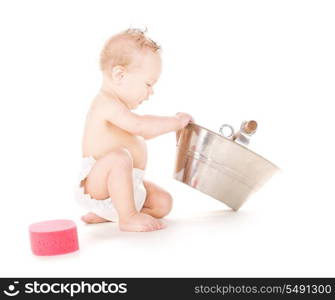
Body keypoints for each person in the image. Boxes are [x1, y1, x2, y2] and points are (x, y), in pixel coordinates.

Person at [75, 28, 193, 232]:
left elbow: (143, 128)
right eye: (148, 84)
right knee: (119, 158)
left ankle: (111, 213)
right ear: (120, 75)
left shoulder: (119, 108)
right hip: (99, 187)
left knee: (164, 203)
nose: (151, 92)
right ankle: (127, 217)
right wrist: (175, 122)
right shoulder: (106, 103)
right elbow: (141, 127)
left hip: (127, 184)